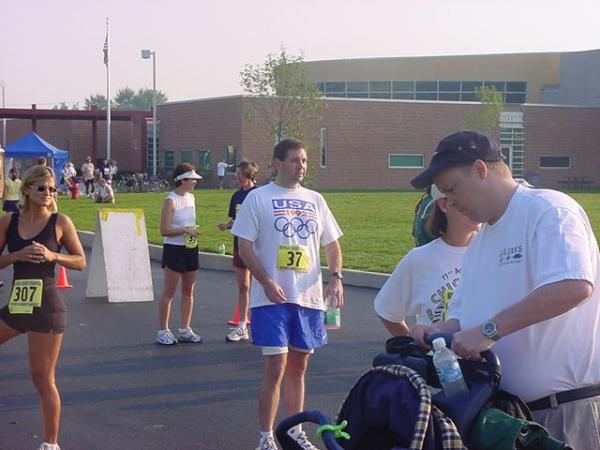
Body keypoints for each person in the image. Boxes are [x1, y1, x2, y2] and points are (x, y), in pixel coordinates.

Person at [409, 130, 600, 449]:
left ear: (481, 170)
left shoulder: (548, 210)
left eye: (453, 189)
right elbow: (463, 318)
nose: (450, 203)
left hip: (564, 413)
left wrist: (489, 330)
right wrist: (432, 331)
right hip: (509, 418)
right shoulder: (480, 241)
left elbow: (573, 285)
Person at [231, 138, 344, 450]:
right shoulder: (258, 198)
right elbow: (244, 246)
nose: (301, 166)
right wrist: (266, 280)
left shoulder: (315, 200)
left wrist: (336, 276)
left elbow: (332, 244)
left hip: (307, 297)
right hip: (272, 297)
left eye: (304, 160)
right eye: (295, 160)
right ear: (277, 162)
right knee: (276, 367)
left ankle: (295, 432)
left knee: (299, 366)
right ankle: (266, 436)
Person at [0, 165, 86, 450]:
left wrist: (52, 256)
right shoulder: (9, 222)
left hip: (46, 308)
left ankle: (50, 444)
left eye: (52, 189)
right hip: (17, 306)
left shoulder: (60, 222)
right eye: (41, 188)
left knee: (42, 378)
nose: (48, 193)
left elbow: (80, 260)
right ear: (26, 190)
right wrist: (18, 255)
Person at [374, 184, 479, 336]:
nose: (478, 205)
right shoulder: (419, 259)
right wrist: (415, 348)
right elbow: (387, 311)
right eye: (469, 197)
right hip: (440, 359)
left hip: (492, 359)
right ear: (443, 204)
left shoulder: (495, 252)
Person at [156, 163, 204, 345]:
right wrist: (184, 230)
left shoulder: (191, 198)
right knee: (169, 291)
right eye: (192, 179)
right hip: (174, 249)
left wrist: (191, 231)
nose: (195, 182)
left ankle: (185, 329)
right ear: (182, 180)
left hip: (190, 248)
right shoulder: (170, 200)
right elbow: (164, 229)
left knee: (188, 290)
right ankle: (163, 330)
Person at [217, 160, 259, 342]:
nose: (237, 178)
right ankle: (242, 325)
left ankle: (266, 323)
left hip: (259, 247)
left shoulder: (258, 195)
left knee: (264, 286)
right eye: (236, 175)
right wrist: (226, 226)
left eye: (239, 175)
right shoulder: (236, 196)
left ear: (249, 175)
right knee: (244, 287)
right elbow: (237, 220)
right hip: (240, 246)